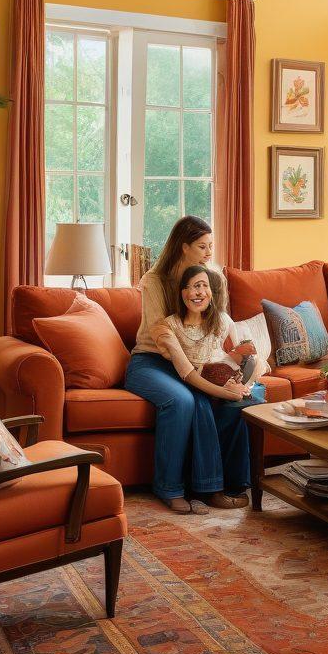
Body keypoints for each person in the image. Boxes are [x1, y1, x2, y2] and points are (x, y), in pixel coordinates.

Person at [126, 215, 251, 513]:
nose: (209, 253)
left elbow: (214, 333)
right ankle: (169, 488)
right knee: (184, 400)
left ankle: (228, 484)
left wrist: (227, 372)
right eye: (202, 246)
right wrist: (200, 377)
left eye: (211, 246)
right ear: (183, 247)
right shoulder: (154, 281)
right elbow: (163, 337)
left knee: (241, 402)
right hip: (152, 361)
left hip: (194, 361)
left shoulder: (210, 279)